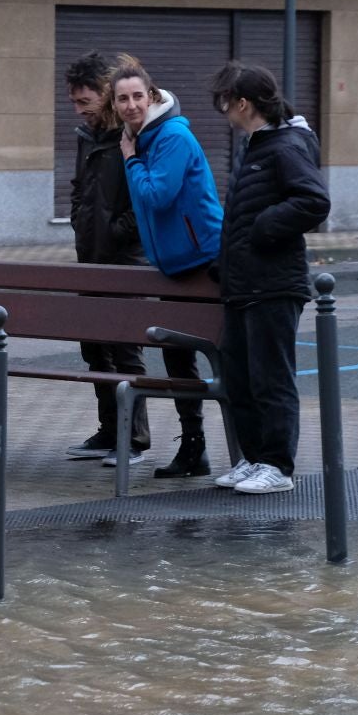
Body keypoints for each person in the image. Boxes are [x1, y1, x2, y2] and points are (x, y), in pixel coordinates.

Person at [206, 61, 330, 494]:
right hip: (243, 283)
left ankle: (277, 466)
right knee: (239, 376)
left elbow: (314, 201)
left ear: (243, 103)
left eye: (224, 102)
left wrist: (263, 228)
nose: (222, 111)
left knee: (270, 378)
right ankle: (253, 457)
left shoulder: (285, 146)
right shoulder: (257, 144)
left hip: (274, 284)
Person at [115, 54, 224, 479]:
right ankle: (193, 447)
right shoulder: (141, 139)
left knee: (217, 355)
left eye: (137, 96)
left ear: (152, 96)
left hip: (204, 259)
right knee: (178, 357)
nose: (130, 105)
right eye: (122, 99)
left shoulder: (171, 136)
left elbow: (158, 195)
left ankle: (249, 450)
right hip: (174, 264)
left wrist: (129, 161)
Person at [62, 51, 151, 469]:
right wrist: (81, 218)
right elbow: (81, 187)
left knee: (124, 346)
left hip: (127, 258)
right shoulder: (88, 135)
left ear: (106, 93)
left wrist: (117, 230)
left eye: (85, 102)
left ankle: (133, 437)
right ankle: (108, 428)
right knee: (95, 345)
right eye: (75, 102)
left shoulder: (138, 135)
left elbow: (147, 197)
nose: (79, 110)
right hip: (91, 253)